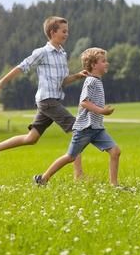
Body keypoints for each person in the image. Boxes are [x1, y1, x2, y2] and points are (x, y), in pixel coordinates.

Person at [0, 16, 86, 178]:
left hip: (51, 100)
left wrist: (78, 75)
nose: (66, 34)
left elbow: (62, 81)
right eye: (63, 31)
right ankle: (79, 176)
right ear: (52, 32)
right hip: (47, 100)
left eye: (67, 31)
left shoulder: (62, 54)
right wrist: (0, 83)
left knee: (31, 138)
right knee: (77, 130)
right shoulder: (42, 52)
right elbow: (21, 68)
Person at [33, 48, 124, 188]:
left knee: (115, 151)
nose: (107, 63)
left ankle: (114, 185)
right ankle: (43, 178)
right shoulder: (91, 81)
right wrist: (102, 111)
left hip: (97, 128)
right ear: (93, 65)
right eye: (103, 61)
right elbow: (84, 102)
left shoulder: (97, 81)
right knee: (70, 157)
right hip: (85, 128)